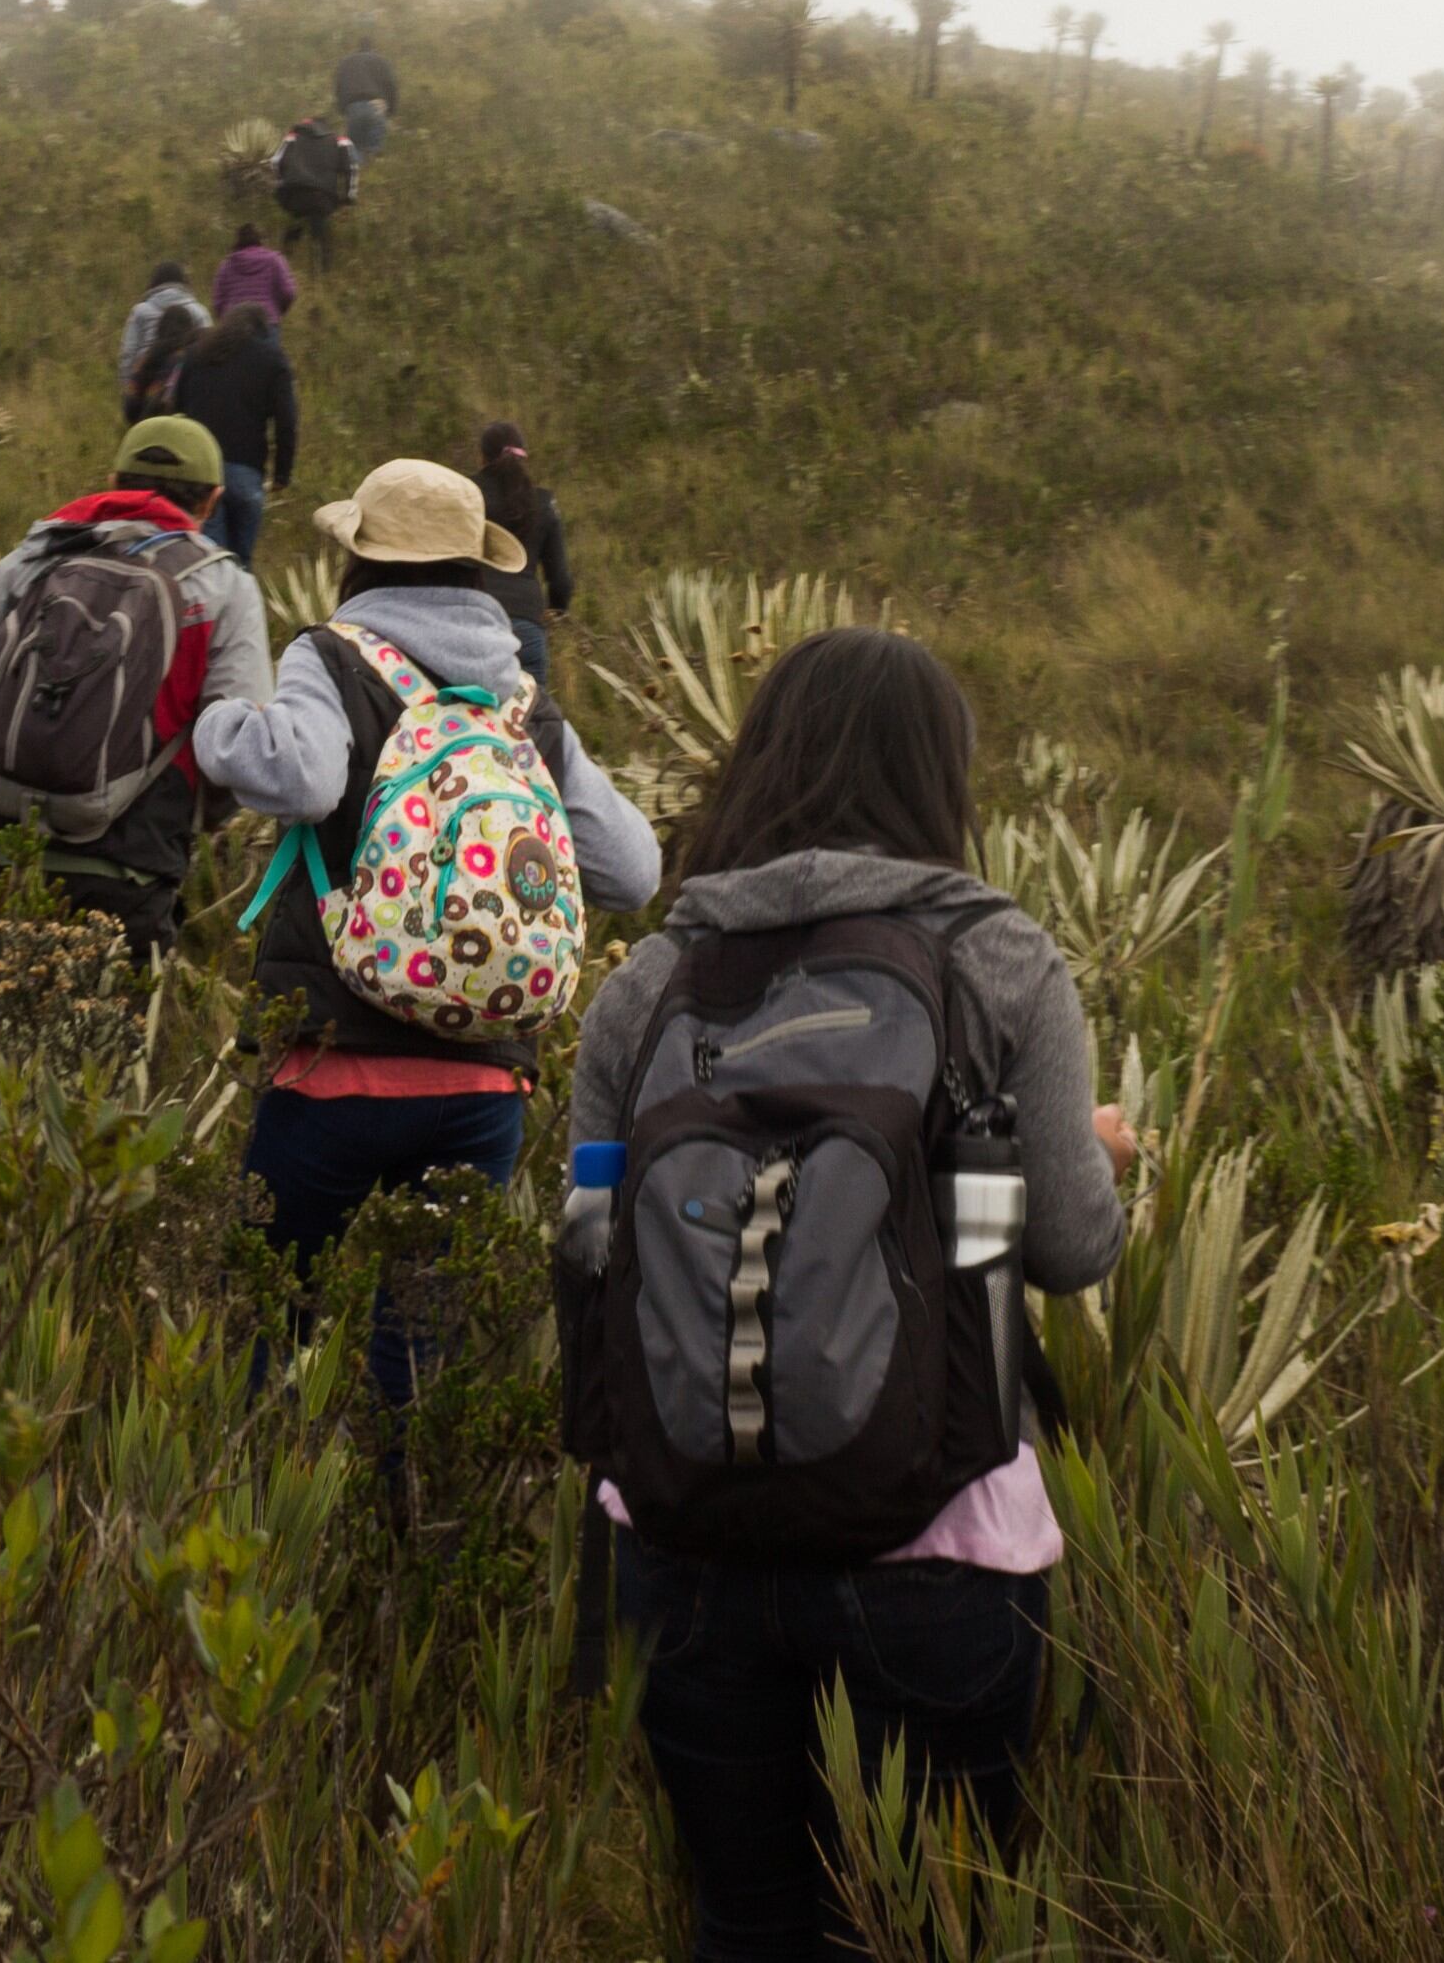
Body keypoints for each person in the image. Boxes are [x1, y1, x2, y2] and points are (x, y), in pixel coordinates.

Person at [563, 626, 1135, 1963]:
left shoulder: (648, 983)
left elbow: (589, 1247)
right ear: (940, 777)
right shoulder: (999, 959)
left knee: (742, 1918)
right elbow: (1066, 1247)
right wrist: (1085, 1158)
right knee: (926, 1927)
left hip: (680, 1540)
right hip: (936, 1545)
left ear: (755, 761)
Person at [188, 459, 660, 1391]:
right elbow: (633, 867)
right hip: (481, 1081)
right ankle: (408, 1525)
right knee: (416, 1353)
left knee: (264, 1316)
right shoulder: (524, 703)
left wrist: (218, 725)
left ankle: (253, 1508)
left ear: (358, 560)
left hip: (333, 1065)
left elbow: (303, 778)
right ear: (476, 574)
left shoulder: (331, 656)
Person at [0, 416, 268, 955]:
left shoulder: (34, 561)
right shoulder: (225, 587)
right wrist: (196, 820)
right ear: (211, 501)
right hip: (130, 876)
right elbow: (237, 742)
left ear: (116, 482)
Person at [165, 303, 295, 564]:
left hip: (201, 472)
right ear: (262, 331)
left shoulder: (195, 355)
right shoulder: (272, 360)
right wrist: (281, 473)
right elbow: (286, 421)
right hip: (246, 472)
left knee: (208, 559)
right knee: (240, 562)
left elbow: (175, 410)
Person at [471, 421, 577, 686]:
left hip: (472, 620)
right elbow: (561, 581)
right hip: (526, 625)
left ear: (482, 456)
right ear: (523, 456)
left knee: (465, 719)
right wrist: (556, 611)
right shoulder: (544, 502)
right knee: (530, 720)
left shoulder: (465, 494)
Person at [121, 262, 206, 420]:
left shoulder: (140, 311)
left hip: (146, 393)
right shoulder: (199, 311)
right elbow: (208, 351)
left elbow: (128, 354)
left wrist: (128, 388)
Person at [271, 115, 359, 265]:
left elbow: (275, 162)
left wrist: (281, 188)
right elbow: (351, 169)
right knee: (321, 234)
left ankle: (283, 263)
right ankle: (322, 273)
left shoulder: (293, 137)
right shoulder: (340, 141)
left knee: (295, 225)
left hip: (295, 193)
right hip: (322, 195)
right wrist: (349, 196)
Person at [335, 35, 400, 160]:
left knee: (354, 150)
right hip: (376, 106)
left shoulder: (346, 62)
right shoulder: (381, 61)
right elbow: (391, 85)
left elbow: (339, 86)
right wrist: (391, 110)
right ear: (373, 48)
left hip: (353, 107)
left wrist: (343, 109)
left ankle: (358, 176)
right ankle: (372, 173)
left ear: (358, 48)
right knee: (374, 152)